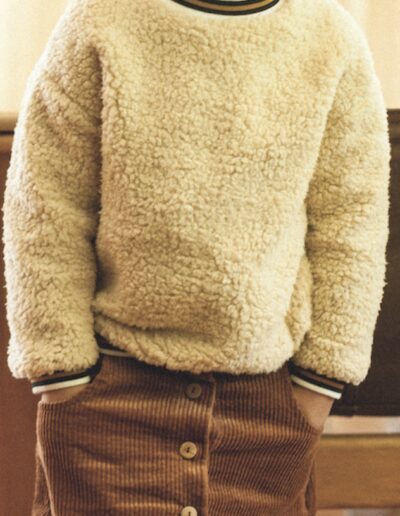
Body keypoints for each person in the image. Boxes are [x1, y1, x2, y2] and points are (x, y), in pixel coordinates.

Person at [2, 0, 391, 514]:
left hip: (267, 403)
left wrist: (319, 383)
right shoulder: (99, 20)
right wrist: (62, 375)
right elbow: (46, 206)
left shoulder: (330, 36)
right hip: (109, 397)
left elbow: (352, 220)